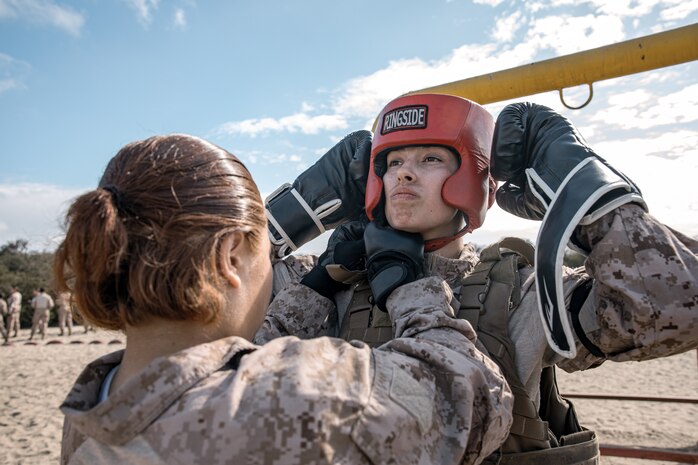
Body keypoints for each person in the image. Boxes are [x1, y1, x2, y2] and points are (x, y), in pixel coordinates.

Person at [258, 94, 698, 464]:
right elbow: (204, 281)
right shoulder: (323, 284)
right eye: (392, 162)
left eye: (430, 158)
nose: (403, 173)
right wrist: (287, 216)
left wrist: (583, 185)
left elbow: (673, 303)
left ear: (475, 179)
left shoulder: (520, 290)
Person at [55, 134, 512, 465]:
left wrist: (315, 286)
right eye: (263, 252)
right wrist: (405, 285)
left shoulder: (93, 404)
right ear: (230, 257)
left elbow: (225, 356)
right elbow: (469, 393)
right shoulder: (296, 395)